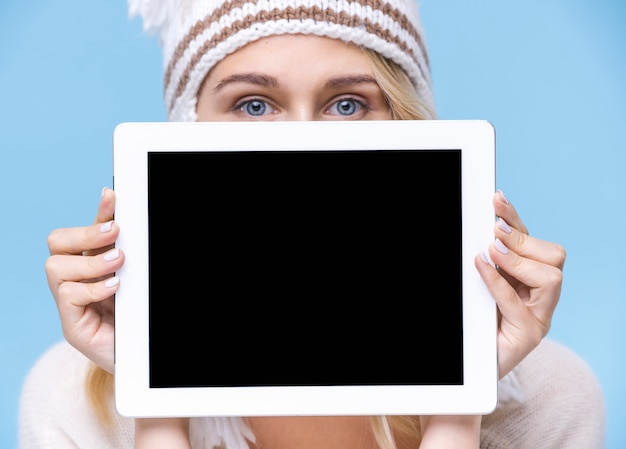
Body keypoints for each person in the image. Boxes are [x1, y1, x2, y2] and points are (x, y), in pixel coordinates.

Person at [18, 0, 606, 447]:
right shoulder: (70, 403)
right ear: (185, 136)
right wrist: (155, 394)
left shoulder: (550, 399)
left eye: (347, 104)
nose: (303, 146)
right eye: (253, 104)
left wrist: (457, 398)